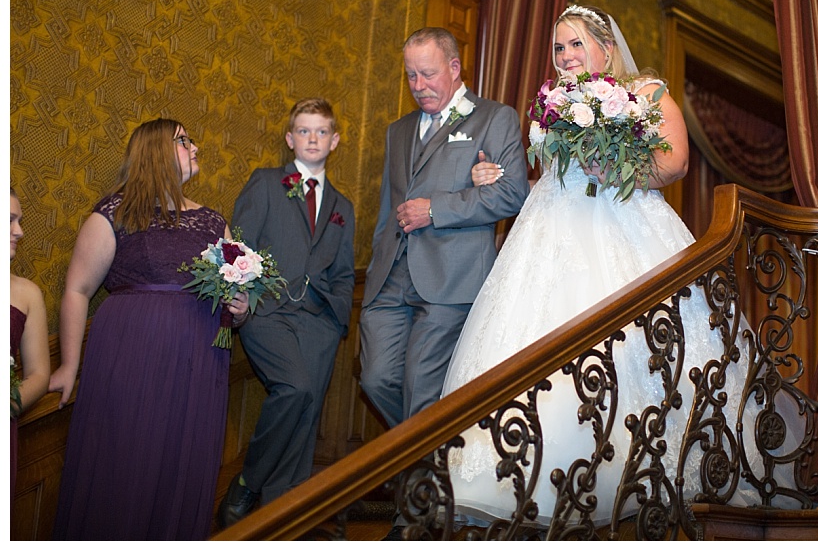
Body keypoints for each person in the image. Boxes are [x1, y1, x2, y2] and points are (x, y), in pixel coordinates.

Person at [447, 4, 794, 525]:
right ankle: (526, 476)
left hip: (627, 229)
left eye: (576, 45)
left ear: (606, 50)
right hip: (552, 233)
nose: (565, 56)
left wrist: (608, 164)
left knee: (631, 348)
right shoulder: (550, 106)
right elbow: (546, 174)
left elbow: (673, 161)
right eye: (559, 47)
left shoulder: (647, 92)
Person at [49, 119, 249, 540]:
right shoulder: (114, 214)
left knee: (183, 462)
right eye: (184, 140)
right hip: (129, 356)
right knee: (124, 461)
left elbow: (237, 300)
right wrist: (69, 365)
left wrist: (242, 307)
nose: (195, 146)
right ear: (155, 150)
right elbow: (77, 290)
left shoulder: (214, 223)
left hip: (199, 363)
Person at [359, 27, 530, 429]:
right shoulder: (397, 131)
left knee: (421, 391)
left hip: (450, 279)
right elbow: (389, 208)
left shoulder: (495, 118)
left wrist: (435, 210)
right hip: (390, 280)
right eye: (411, 76)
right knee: (375, 379)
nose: (419, 86)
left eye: (428, 74)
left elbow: (511, 195)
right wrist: (374, 270)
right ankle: (423, 465)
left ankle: (419, 487)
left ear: (454, 68)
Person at [217, 98, 357, 528]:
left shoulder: (342, 207)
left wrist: (336, 319)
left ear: (334, 141)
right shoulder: (265, 183)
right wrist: (239, 303)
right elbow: (236, 246)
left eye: (320, 132)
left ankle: (284, 516)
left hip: (319, 321)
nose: (312, 138)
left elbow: (345, 271)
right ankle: (248, 482)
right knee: (294, 389)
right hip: (267, 311)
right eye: (303, 130)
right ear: (289, 138)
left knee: (307, 411)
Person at [11, 189, 52, 489]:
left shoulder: (27, 293)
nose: (19, 232)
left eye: (20, 221)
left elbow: (39, 374)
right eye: (10, 220)